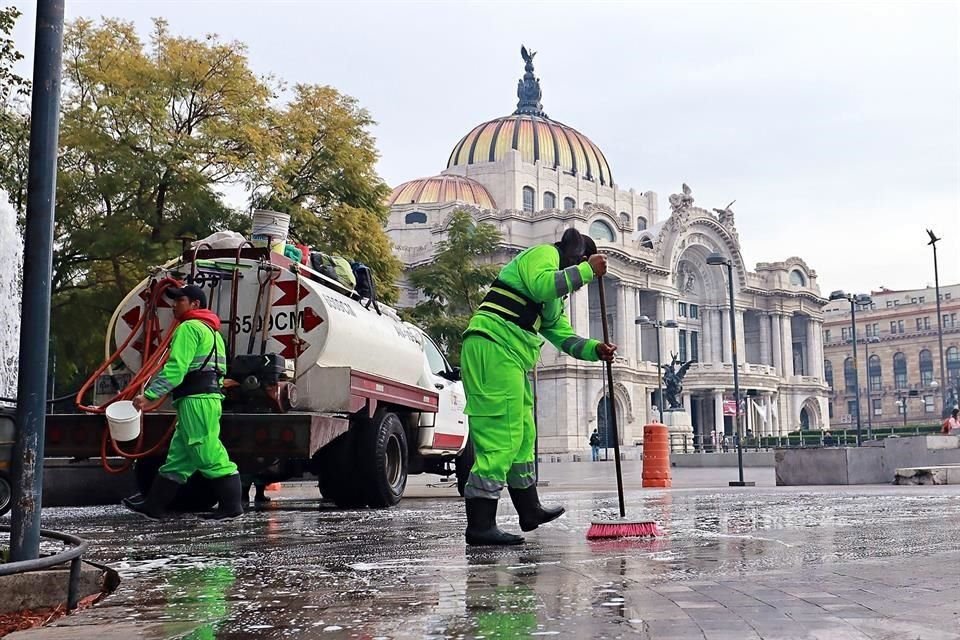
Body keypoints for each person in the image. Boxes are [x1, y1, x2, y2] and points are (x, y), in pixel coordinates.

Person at [460, 228, 617, 546]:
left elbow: (561, 334)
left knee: (522, 435)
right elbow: (542, 284)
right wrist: (587, 271)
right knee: (500, 436)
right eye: (579, 262)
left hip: (510, 356)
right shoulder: (542, 256)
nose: (577, 274)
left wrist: (593, 349)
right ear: (573, 255)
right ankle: (480, 525)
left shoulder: (552, 300)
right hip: (492, 347)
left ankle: (529, 509)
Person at [122, 284, 243, 520]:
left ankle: (231, 508)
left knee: (208, 451)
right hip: (206, 398)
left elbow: (176, 369)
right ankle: (153, 506)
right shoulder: (213, 332)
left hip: (196, 399)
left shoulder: (189, 328)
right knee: (179, 457)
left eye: (180, 300)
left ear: (195, 304)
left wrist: (150, 396)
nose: (174, 304)